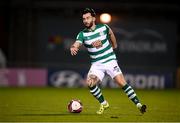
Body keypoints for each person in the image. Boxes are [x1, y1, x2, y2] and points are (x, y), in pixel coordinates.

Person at [70, 8, 147, 115]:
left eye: (87, 18)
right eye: (83, 19)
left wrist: (114, 45)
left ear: (93, 18)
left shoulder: (104, 27)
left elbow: (111, 33)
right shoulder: (82, 34)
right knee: (90, 83)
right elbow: (77, 43)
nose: (85, 20)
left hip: (110, 61)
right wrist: (74, 47)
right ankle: (104, 103)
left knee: (121, 83)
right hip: (97, 64)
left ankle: (139, 105)